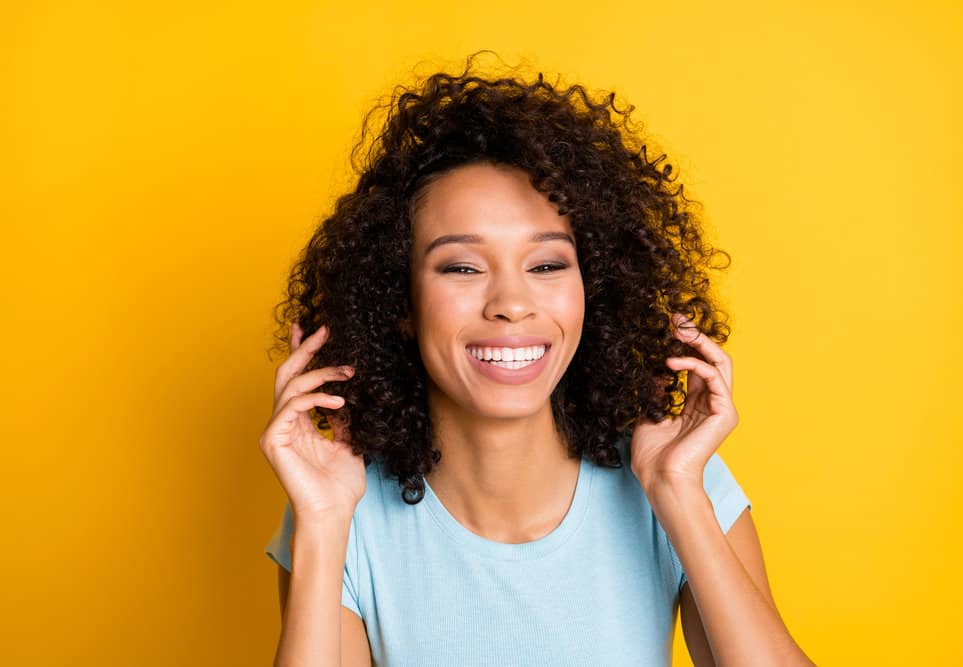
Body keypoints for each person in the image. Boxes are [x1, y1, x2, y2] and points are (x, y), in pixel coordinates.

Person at [259, 53, 814, 666]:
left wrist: (678, 493)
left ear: (593, 289)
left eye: (547, 265)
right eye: (462, 267)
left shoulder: (676, 477)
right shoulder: (340, 508)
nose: (512, 304)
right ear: (400, 301)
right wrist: (323, 521)